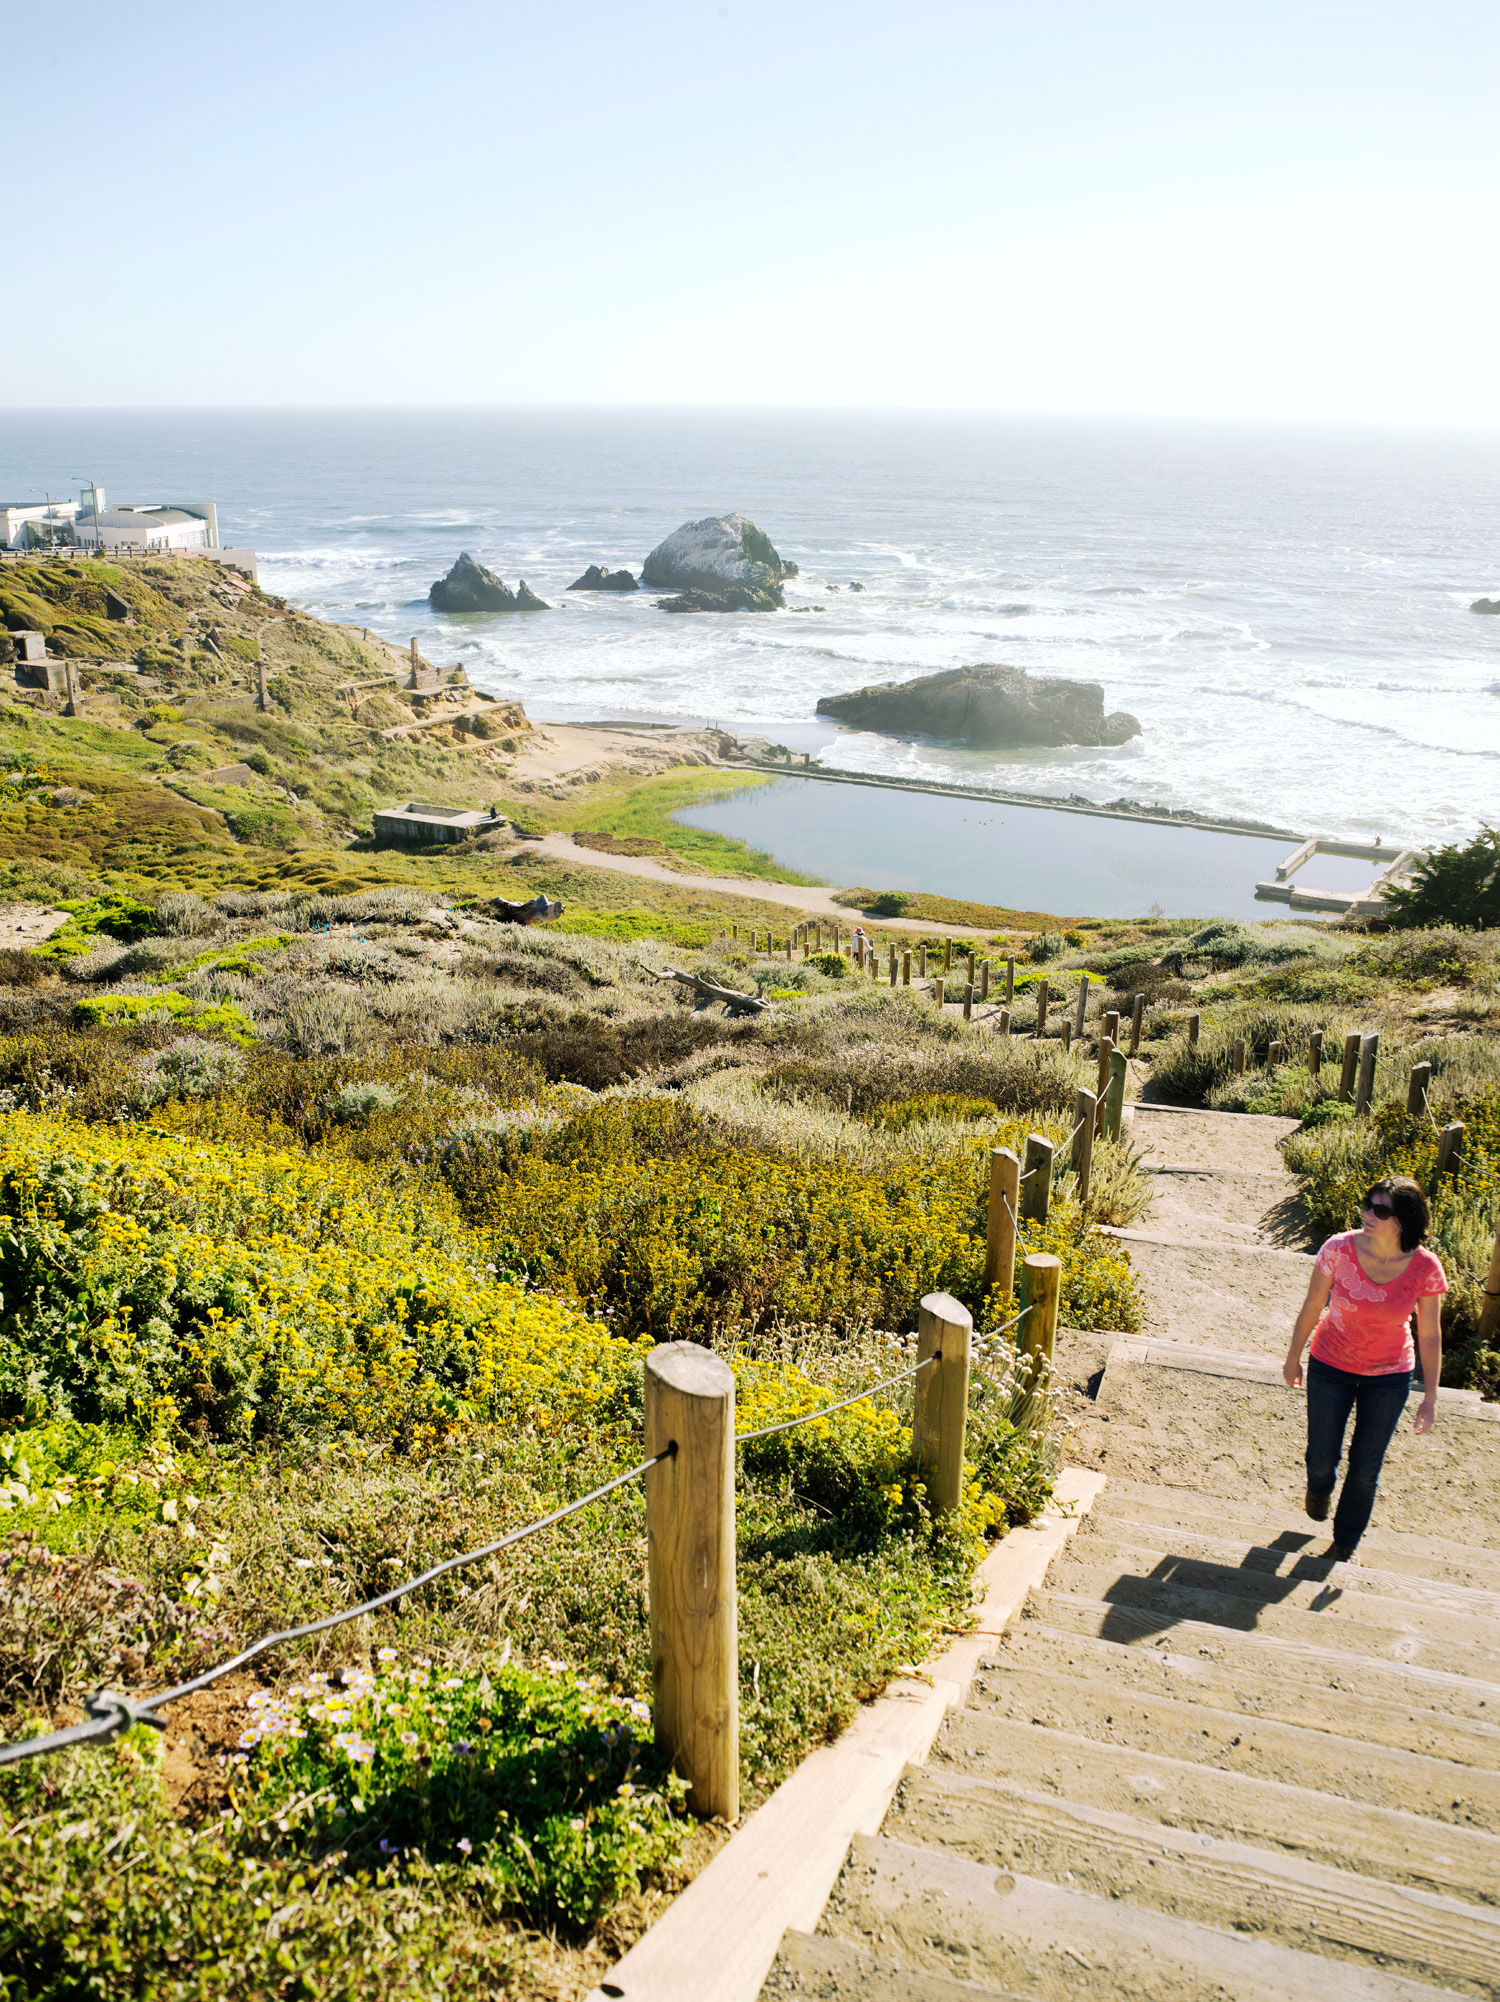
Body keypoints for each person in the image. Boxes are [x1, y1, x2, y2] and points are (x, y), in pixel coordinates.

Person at [1283, 1176, 1446, 1561]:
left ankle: (1345, 1544)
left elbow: (1430, 1335)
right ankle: (1319, 1489)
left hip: (1390, 1376)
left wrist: (1431, 1397)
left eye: (1382, 1210)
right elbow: (1312, 1306)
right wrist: (1293, 1357)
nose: (1369, 1214)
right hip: (1330, 1364)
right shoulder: (1338, 1248)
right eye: (1368, 1205)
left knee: (1366, 1466)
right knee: (1322, 1457)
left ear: (1405, 1219)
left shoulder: (1425, 1267)